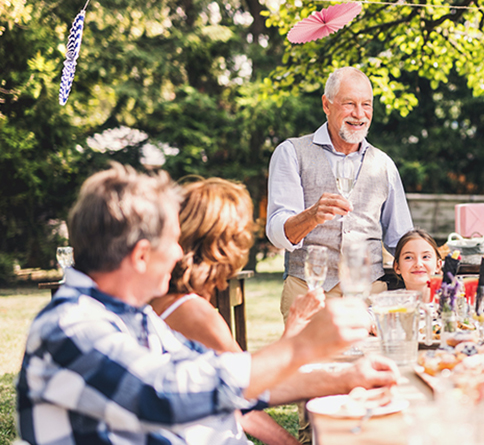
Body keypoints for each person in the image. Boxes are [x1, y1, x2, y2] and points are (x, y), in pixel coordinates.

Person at [16, 163, 375, 444]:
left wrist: (345, 378)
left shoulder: (135, 317)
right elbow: (164, 392)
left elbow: (225, 379)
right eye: (172, 241)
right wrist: (302, 347)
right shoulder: (69, 324)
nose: (178, 252)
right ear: (142, 256)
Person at [150, 177, 399, 445]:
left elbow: (251, 381)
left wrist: (295, 328)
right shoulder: (193, 312)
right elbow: (246, 399)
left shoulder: (167, 302)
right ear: (225, 244)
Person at [266, 66, 414, 321]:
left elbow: (400, 238)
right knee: (311, 362)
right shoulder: (291, 152)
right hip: (308, 292)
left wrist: (427, 257)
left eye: (366, 105)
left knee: (372, 361)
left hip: (370, 296)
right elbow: (278, 233)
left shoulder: (384, 164)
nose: (359, 114)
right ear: (327, 104)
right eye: (349, 104)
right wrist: (312, 216)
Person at [392, 229, 443, 294]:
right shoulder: (389, 303)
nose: (418, 264)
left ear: (438, 265)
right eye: (408, 257)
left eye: (426, 257)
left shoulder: (451, 302)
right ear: (397, 267)